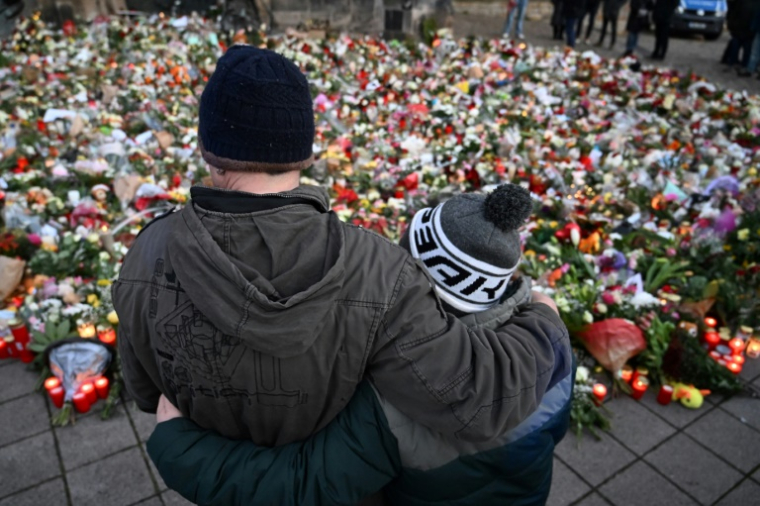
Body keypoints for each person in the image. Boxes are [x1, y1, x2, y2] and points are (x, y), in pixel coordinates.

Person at [114, 44, 568, 453]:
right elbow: (478, 399)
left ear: (205, 146)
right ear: (304, 151)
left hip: (211, 478)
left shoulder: (145, 253)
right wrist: (543, 318)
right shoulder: (378, 272)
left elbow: (143, 390)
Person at [147, 185, 574, 506]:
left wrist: (179, 444)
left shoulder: (397, 398)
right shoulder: (549, 342)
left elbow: (300, 484)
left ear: (410, 270)